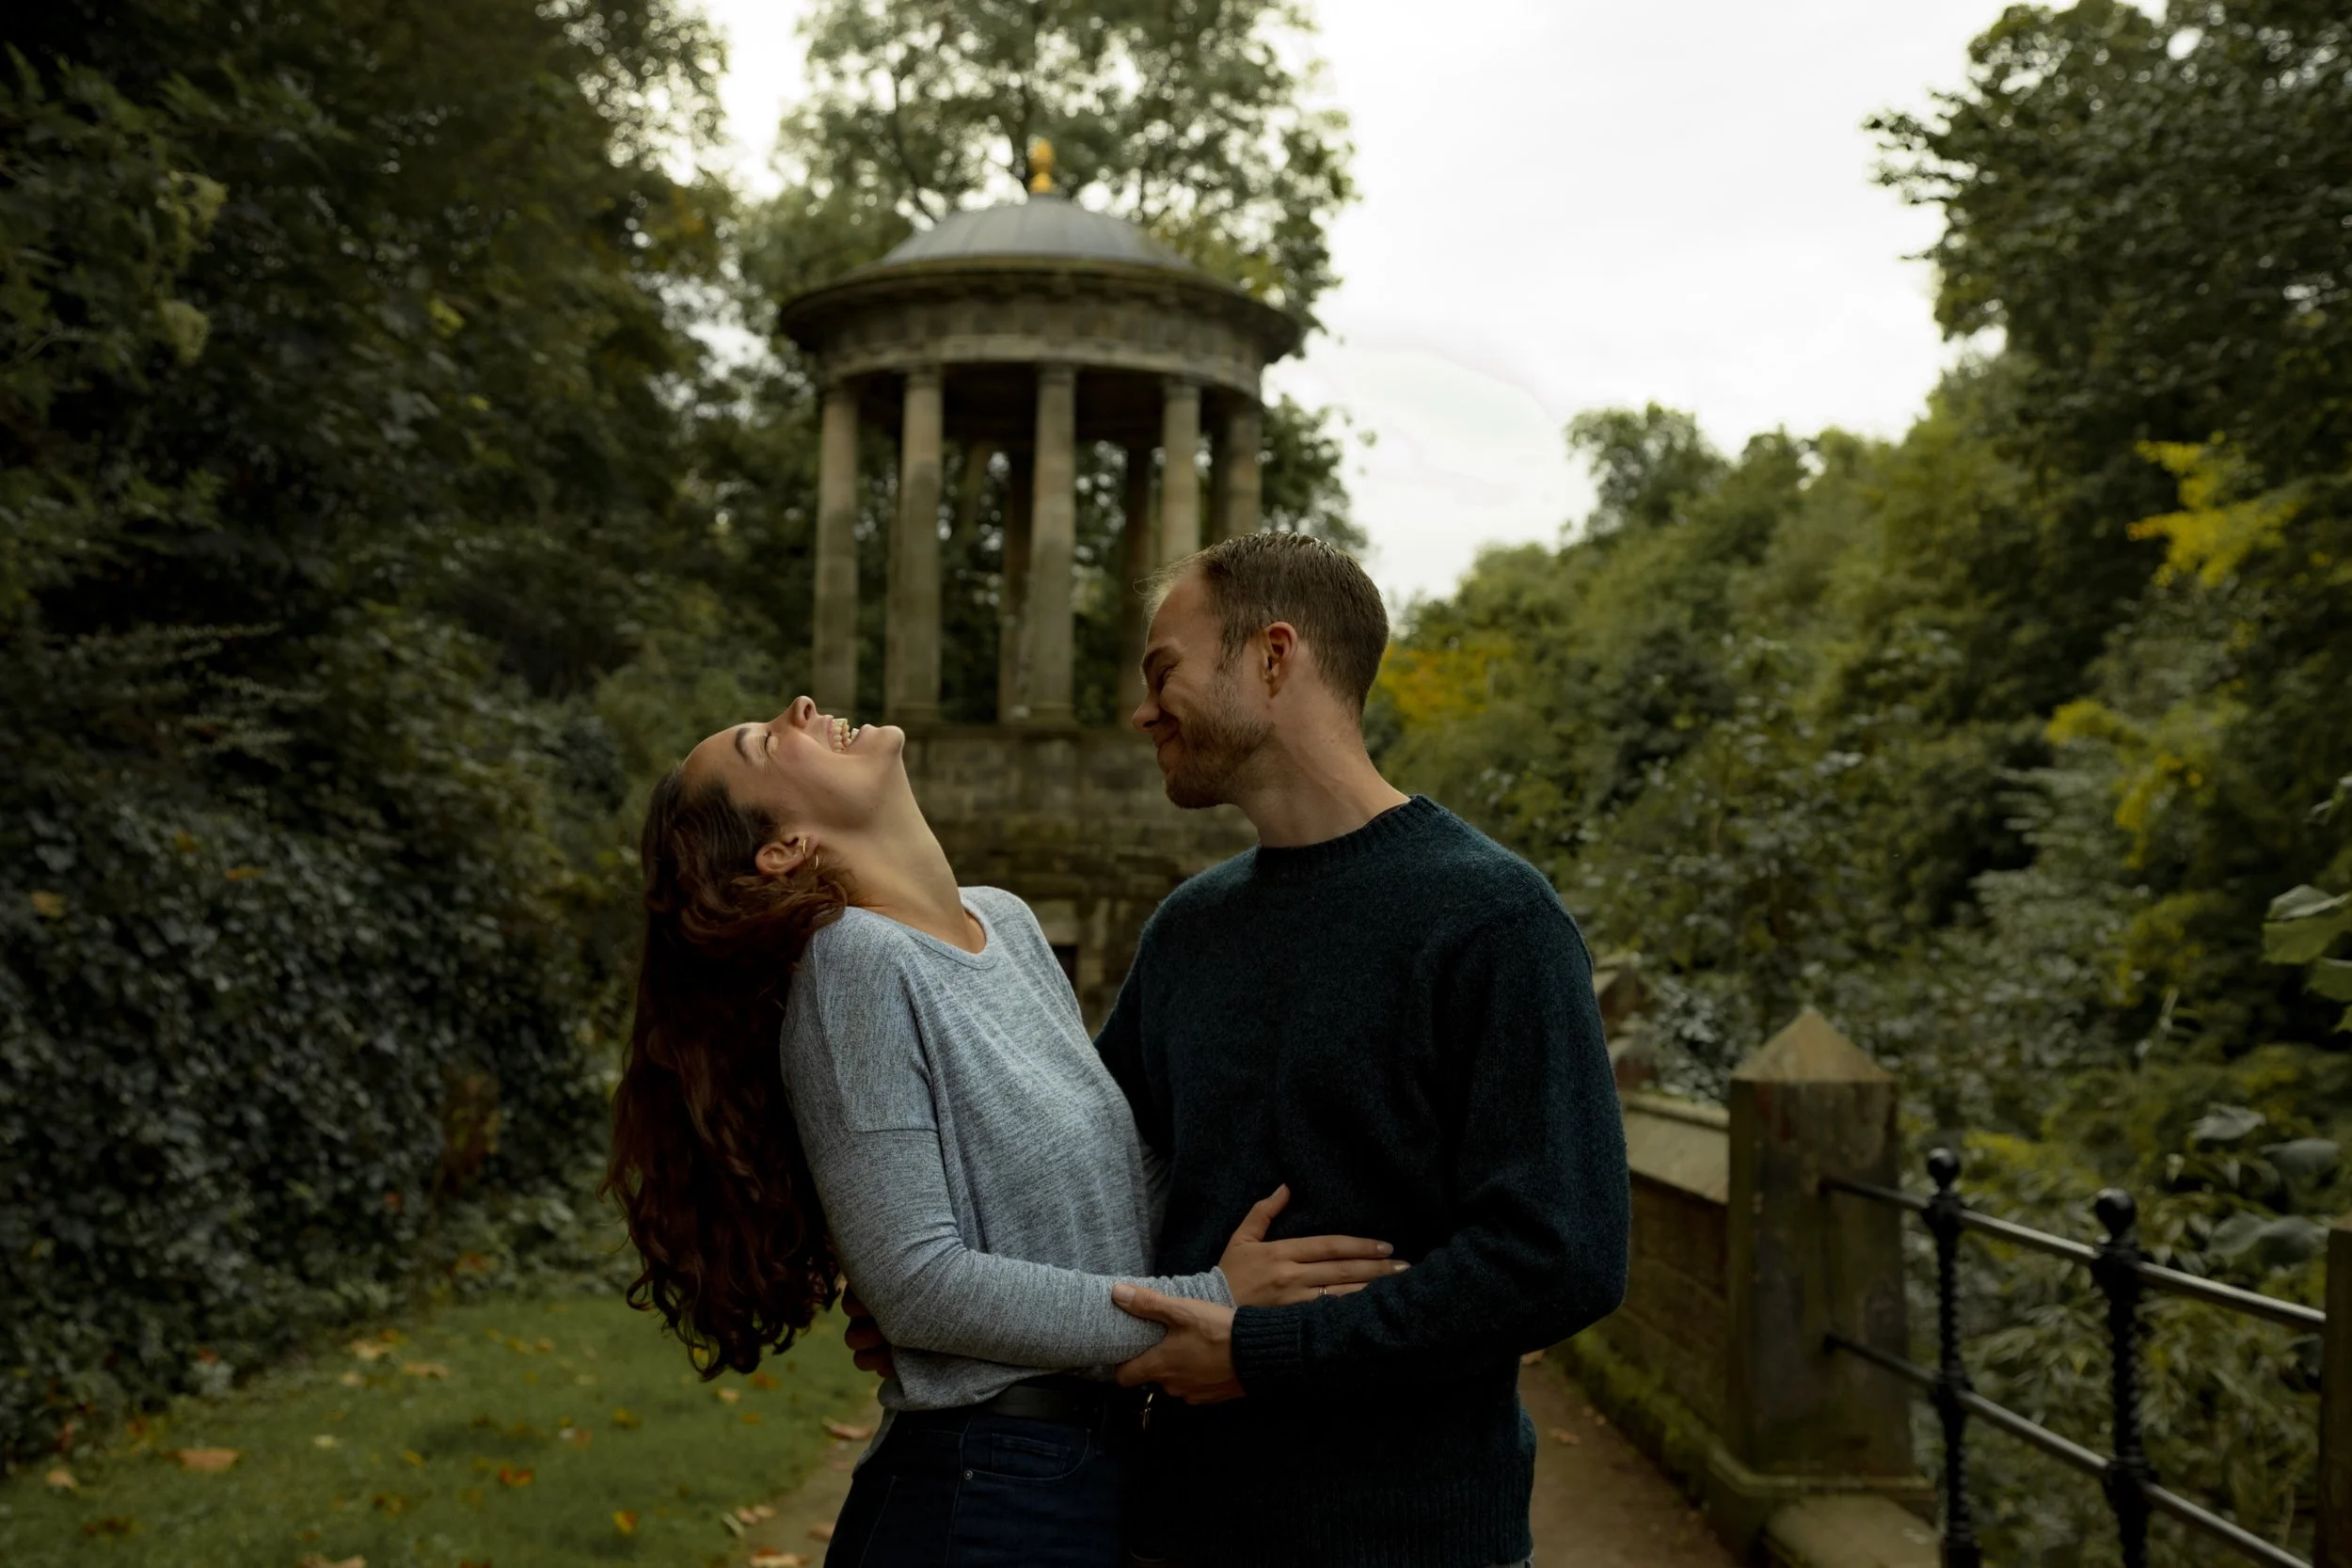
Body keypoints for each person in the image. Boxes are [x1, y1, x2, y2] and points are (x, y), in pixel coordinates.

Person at [852, 532, 1630, 1568]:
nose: (1142, 710)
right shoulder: (1191, 928)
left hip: (1409, 1539)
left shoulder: (1490, 918)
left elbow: (1561, 1253)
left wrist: (1265, 1351)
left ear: (1273, 658)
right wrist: (959, 1314)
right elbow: (1100, 1192)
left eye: (1162, 669)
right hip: (1171, 1527)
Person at [602, 694, 1406, 1568]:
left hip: (1093, 1472)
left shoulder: (1010, 925)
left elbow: (1115, 1188)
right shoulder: (855, 964)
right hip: (981, 1495)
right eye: (765, 742)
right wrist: (1209, 1304)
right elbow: (916, 1282)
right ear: (785, 847)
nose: (799, 707)